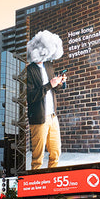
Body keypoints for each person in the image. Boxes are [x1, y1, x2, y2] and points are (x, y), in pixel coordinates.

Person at [25, 30, 66, 169]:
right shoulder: (29, 70)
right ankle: (36, 187)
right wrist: (50, 84)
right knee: (37, 158)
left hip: (53, 117)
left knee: (55, 153)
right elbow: (31, 97)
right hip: (38, 119)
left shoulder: (49, 66)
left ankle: (51, 184)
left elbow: (54, 89)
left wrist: (59, 83)